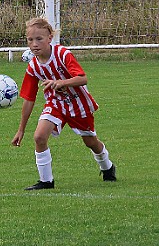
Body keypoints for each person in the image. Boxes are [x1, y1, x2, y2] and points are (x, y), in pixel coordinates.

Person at [12, 17, 116, 190]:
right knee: (39, 137)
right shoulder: (33, 67)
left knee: (90, 142)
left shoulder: (62, 54)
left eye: (39, 39)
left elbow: (83, 78)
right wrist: (21, 129)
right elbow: (29, 99)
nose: (34, 44)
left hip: (78, 103)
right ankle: (46, 181)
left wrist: (61, 83)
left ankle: (107, 166)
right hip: (56, 103)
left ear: (50, 38)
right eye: (30, 40)